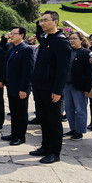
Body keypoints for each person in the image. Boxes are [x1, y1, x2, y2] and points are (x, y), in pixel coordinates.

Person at [29, 11, 71, 164]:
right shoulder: (45, 38)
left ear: (56, 22)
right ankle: (45, 146)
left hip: (51, 89)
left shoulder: (61, 41)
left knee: (53, 121)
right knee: (44, 119)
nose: (42, 23)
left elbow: (63, 69)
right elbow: (39, 30)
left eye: (46, 20)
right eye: (41, 20)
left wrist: (57, 91)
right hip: (40, 86)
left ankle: (54, 152)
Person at [0, 27, 34, 145]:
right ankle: (14, 133)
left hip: (20, 87)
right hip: (11, 85)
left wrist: (24, 88)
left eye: (14, 33)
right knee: (13, 111)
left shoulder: (26, 49)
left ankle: (20, 137)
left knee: (21, 112)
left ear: (22, 35)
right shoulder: (11, 48)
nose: (11, 35)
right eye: (11, 33)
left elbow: (28, 71)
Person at [62, 32, 92, 141]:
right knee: (69, 109)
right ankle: (73, 128)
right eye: (70, 39)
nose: (72, 41)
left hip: (79, 86)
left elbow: (90, 73)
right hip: (67, 84)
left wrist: (87, 88)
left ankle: (79, 131)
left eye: (75, 38)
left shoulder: (86, 53)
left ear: (81, 40)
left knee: (80, 109)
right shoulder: (66, 52)